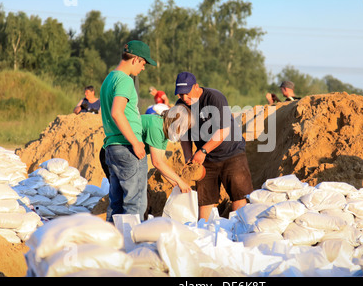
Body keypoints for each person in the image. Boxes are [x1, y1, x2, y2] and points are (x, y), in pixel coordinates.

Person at [174, 71, 254, 221]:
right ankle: (204, 233)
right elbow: (184, 134)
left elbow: (224, 130)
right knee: (205, 200)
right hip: (206, 160)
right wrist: (187, 155)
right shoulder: (181, 105)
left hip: (231, 153)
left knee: (239, 195)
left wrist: (203, 150)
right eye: (180, 95)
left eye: (187, 93)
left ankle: (238, 231)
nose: (185, 98)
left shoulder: (214, 98)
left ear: (196, 87)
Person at [100, 40, 156, 222]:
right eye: (143, 63)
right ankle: (131, 248)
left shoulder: (109, 79)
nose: (143, 68)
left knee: (116, 203)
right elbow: (117, 112)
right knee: (135, 204)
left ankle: (113, 243)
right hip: (127, 147)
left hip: (112, 147)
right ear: (135, 60)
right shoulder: (125, 80)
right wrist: (135, 142)